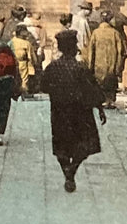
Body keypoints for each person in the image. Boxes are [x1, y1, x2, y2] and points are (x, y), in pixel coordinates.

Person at [43, 29, 106, 192]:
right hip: (80, 113)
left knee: (61, 146)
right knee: (84, 145)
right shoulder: (81, 68)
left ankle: (68, 172)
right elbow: (93, 90)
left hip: (59, 112)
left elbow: (43, 86)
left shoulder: (52, 67)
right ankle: (72, 170)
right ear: (72, 47)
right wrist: (100, 109)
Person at [84, 12, 127, 106]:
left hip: (98, 67)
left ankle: (101, 102)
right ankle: (110, 102)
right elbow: (120, 52)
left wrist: (90, 67)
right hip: (112, 67)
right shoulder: (115, 33)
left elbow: (91, 52)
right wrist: (118, 68)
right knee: (110, 87)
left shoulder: (95, 33)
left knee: (99, 86)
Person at [10, 23, 42, 98]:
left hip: (21, 64)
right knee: (21, 79)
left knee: (22, 79)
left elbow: (31, 56)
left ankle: (22, 92)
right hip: (18, 63)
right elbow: (32, 58)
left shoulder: (25, 43)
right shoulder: (15, 42)